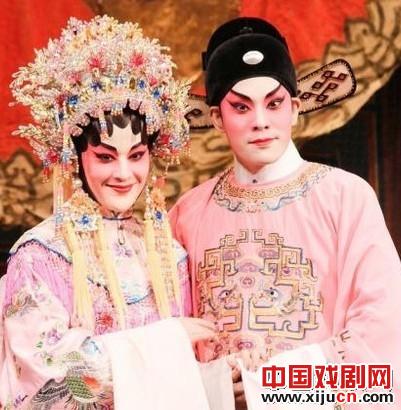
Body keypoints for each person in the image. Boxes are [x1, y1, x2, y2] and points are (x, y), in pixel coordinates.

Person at [170, 17, 401, 409]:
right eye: (241, 107)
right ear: (217, 118)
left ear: (294, 108)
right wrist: (215, 383)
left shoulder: (345, 197)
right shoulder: (188, 214)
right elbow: (169, 336)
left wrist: (271, 384)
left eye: (274, 104)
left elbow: (383, 332)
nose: (261, 122)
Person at [0, 15, 220, 410]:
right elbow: (47, 380)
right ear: (75, 157)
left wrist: (223, 378)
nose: (123, 174)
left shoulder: (169, 255)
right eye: (105, 156)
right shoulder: (40, 256)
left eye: (136, 156)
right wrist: (165, 342)